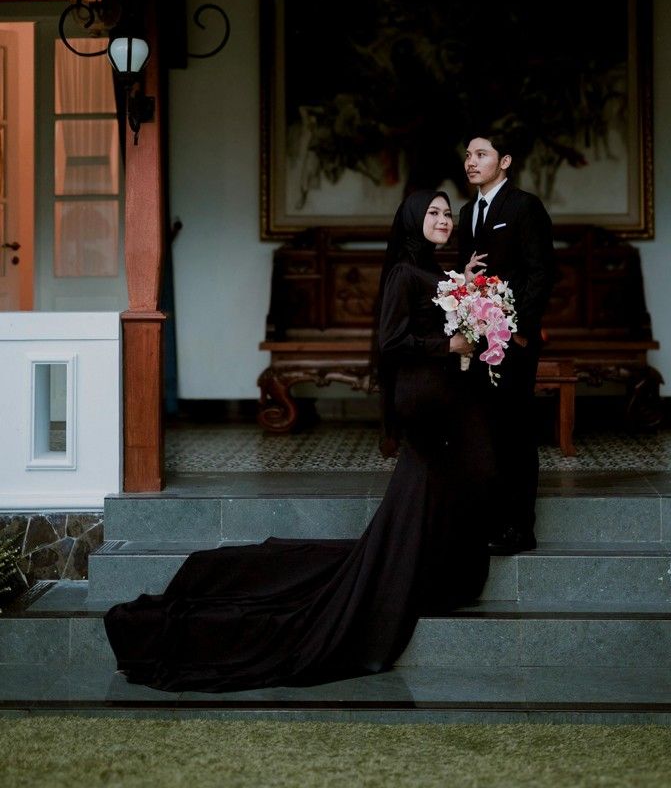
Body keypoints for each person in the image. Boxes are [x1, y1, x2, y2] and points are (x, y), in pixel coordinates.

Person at [104, 189, 491, 692]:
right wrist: (448, 344)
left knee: (430, 493)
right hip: (420, 397)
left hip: (439, 396)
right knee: (421, 492)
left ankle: (422, 573)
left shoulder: (433, 270)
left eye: (447, 213)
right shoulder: (403, 272)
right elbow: (392, 342)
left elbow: (435, 315)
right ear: (413, 219)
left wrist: (468, 287)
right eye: (433, 212)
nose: (443, 219)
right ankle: (398, 579)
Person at [458, 132, 555, 556]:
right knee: (485, 430)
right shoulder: (467, 212)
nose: (471, 162)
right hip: (476, 341)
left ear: (505, 161)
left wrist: (520, 329)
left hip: (513, 340)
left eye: (481, 154)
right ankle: (492, 520)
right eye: (468, 155)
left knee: (515, 431)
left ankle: (520, 528)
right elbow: (467, 274)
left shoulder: (524, 206)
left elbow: (541, 272)